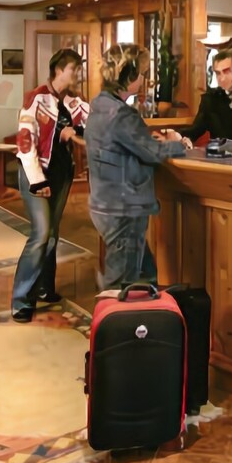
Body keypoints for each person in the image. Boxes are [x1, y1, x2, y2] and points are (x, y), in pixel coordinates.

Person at [86, 43, 187, 290]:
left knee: (144, 276)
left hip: (105, 202)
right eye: (141, 73)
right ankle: (112, 311)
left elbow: (127, 144)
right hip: (124, 206)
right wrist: (180, 144)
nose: (143, 79)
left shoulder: (100, 105)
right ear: (129, 76)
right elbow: (152, 153)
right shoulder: (121, 114)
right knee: (121, 286)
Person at [11, 48, 90, 323]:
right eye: (73, 69)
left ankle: (45, 287)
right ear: (58, 70)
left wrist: (75, 131)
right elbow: (25, 143)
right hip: (36, 174)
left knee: (53, 233)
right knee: (41, 232)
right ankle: (21, 300)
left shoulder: (73, 102)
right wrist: (37, 181)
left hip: (61, 175)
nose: (77, 74)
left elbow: (93, 122)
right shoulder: (36, 99)